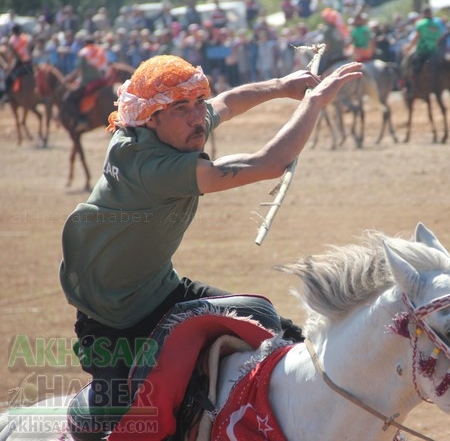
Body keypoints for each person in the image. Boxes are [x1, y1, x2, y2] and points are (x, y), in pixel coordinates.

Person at [59, 54, 362, 438]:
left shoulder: (162, 129)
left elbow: (228, 103)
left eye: (198, 103)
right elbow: (270, 163)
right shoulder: (152, 168)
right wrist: (313, 103)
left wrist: (282, 86)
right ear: (151, 117)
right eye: (182, 108)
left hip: (161, 290)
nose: (197, 116)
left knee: (269, 324)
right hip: (112, 320)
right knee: (125, 421)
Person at [61, 35, 108, 132]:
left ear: (85, 44)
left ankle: (81, 120)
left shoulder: (84, 52)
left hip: (88, 82)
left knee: (69, 99)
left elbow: (79, 70)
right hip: (101, 80)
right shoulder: (100, 51)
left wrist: (69, 78)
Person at [403, 6, 444, 86]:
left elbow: (416, 37)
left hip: (422, 51)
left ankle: (411, 83)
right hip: (434, 51)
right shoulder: (437, 24)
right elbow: (439, 37)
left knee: (409, 62)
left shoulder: (421, 23)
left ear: (424, 14)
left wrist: (409, 47)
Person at [2, 24, 33, 100]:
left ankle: (6, 96)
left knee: (8, 79)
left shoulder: (12, 40)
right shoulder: (24, 37)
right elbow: (29, 47)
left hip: (20, 62)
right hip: (29, 62)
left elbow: (14, 53)